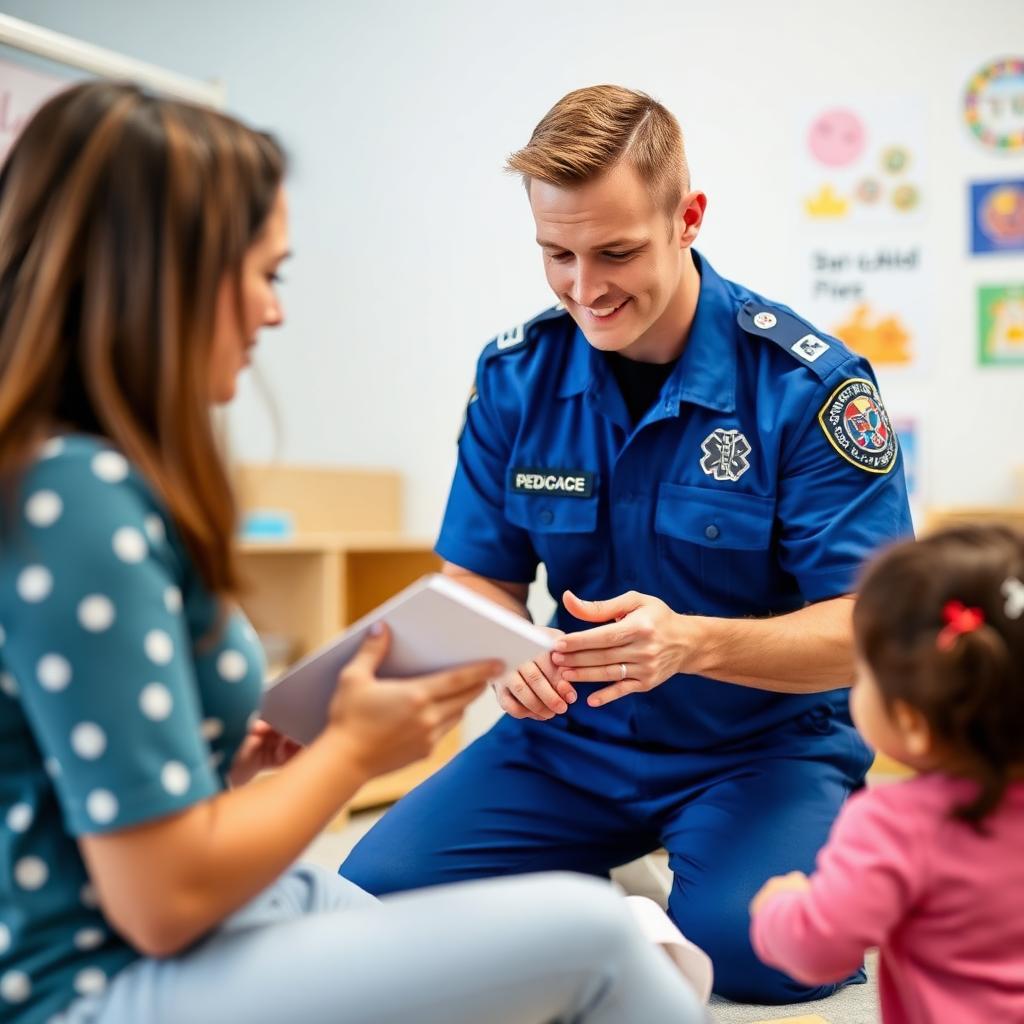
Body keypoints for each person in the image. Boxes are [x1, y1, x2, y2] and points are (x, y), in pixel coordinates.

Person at [0, 81, 707, 1024]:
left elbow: (92, 776)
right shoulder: (77, 498)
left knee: (456, 932)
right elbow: (160, 899)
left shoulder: (84, 476)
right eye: (265, 275)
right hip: (99, 971)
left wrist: (237, 757)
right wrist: (349, 753)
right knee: (601, 935)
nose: (273, 314)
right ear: (162, 280)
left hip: (736, 747)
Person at [341, 84, 914, 1004]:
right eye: (555, 254)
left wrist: (694, 643)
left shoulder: (810, 388)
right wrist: (502, 654)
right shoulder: (517, 375)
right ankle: (598, 888)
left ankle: (806, 847)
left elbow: (871, 630)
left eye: (616, 252)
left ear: (688, 218)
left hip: (761, 747)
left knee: (758, 954)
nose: (584, 288)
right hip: (571, 743)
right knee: (375, 902)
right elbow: (476, 578)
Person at [750, 524, 1024, 1021]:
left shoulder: (893, 823)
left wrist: (781, 909)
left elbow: (820, 950)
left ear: (912, 723)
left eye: (862, 671)